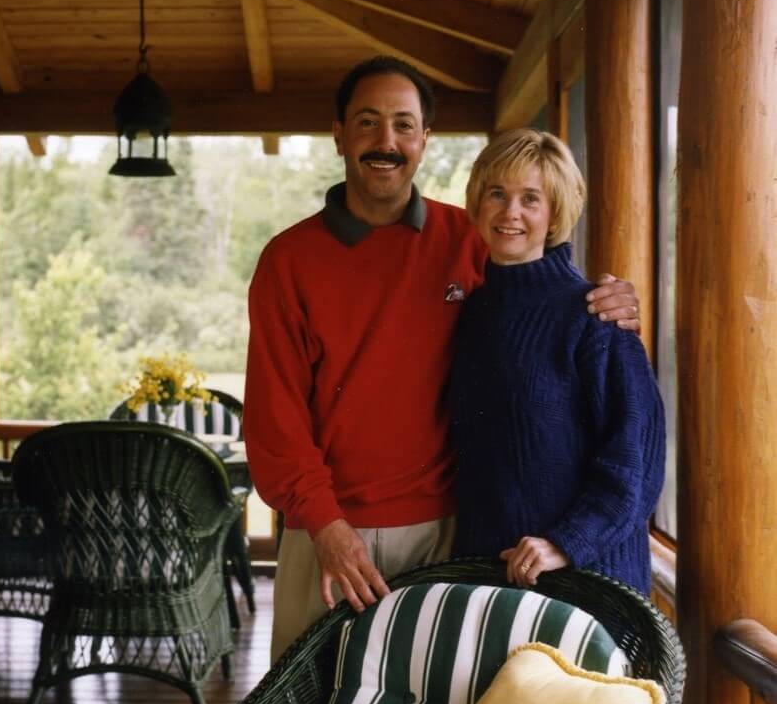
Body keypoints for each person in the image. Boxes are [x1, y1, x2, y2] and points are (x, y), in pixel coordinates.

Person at [243, 57, 642, 663]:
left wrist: (610, 300)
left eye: (404, 125)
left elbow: (540, 298)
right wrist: (326, 527)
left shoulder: (470, 241)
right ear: (339, 135)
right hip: (328, 535)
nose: (386, 141)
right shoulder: (288, 260)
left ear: (425, 139)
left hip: (449, 536)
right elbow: (275, 419)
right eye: (368, 122)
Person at [449, 129, 664, 595]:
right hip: (491, 577)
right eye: (497, 194)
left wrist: (567, 543)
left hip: (586, 581)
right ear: (478, 203)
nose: (511, 212)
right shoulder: (474, 313)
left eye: (531, 198)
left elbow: (638, 458)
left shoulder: (595, 314)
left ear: (554, 213)